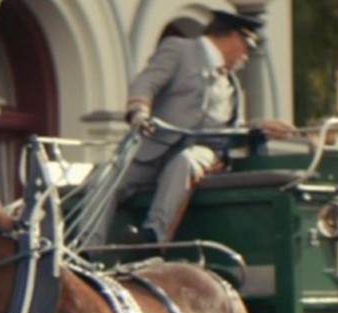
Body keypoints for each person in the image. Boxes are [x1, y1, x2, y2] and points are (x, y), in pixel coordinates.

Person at [115, 10, 295, 243]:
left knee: (185, 162)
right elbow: (146, 82)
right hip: (155, 147)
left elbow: (230, 127)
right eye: (247, 47)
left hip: (202, 152)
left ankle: (153, 235)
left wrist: (259, 127)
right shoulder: (180, 50)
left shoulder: (232, 84)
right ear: (232, 37)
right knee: (108, 181)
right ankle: (85, 247)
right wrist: (139, 111)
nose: (247, 56)